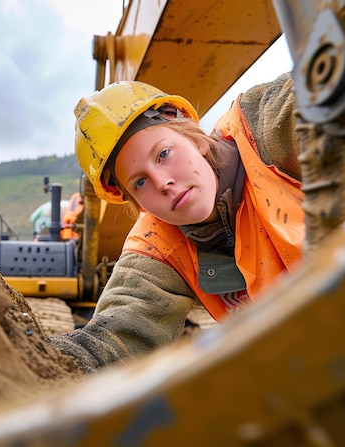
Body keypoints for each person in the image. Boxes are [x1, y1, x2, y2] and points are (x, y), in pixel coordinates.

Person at [49, 72, 304, 370]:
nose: (162, 183)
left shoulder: (265, 128)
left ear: (193, 136)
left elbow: (339, 89)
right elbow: (116, 335)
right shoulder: (157, 246)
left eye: (164, 154)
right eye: (140, 183)